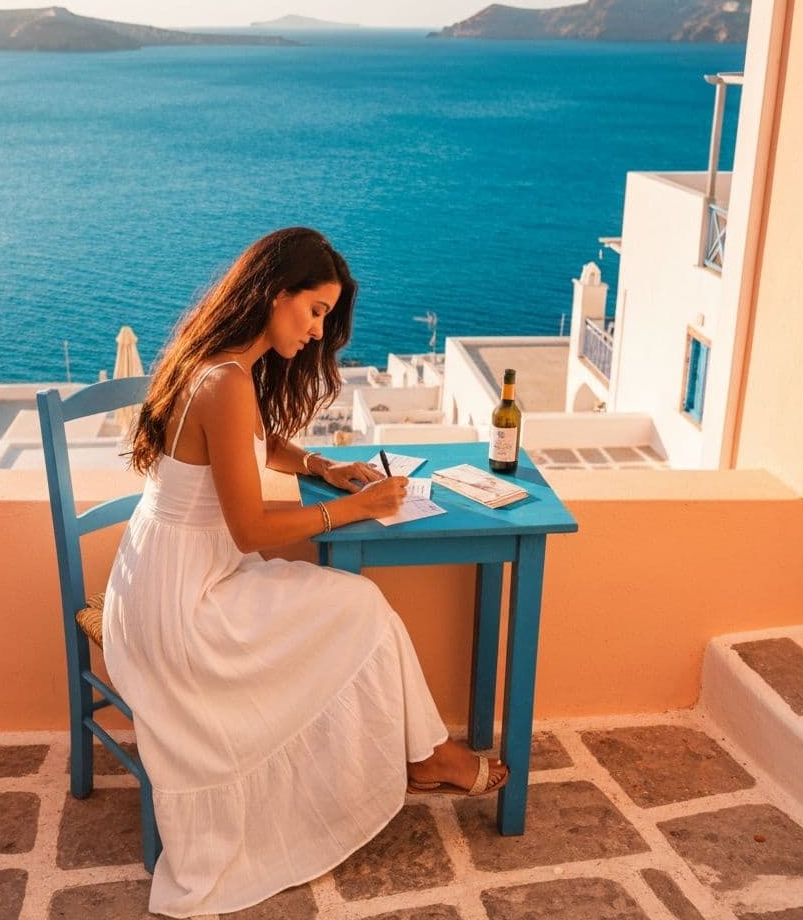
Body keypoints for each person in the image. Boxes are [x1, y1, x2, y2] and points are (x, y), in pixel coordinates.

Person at [102, 227, 508, 918]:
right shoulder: (225, 381)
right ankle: (427, 757)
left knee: (356, 607)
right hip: (182, 609)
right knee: (361, 608)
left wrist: (320, 467)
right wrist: (358, 507)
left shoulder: (218, 360)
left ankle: (426, 754)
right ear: (275, 295)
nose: (319, 333)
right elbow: (253, 529)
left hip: (162, 579)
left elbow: (259, 441)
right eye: (314, 311)